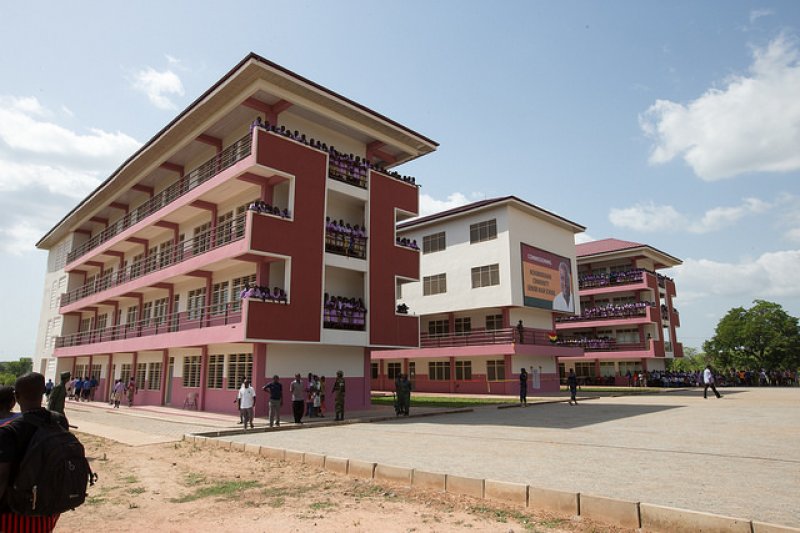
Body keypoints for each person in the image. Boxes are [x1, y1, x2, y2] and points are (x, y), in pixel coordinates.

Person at [0, 372, 66, 531]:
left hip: (14, 515)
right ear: (44, 391)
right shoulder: (59, 420)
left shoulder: (9, 430)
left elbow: (1, 478)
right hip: (48, 510)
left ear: (16, 396)